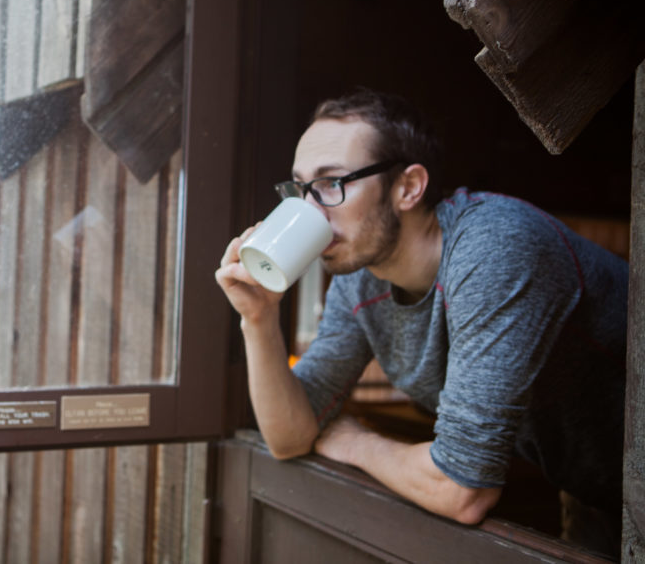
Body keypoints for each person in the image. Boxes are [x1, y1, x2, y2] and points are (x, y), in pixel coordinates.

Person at [215, 89, 627, 554]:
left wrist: (354, 442)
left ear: (408, 187)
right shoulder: (359, 281)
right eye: (300, 188)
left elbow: (461, 490)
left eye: (332, 183)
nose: (310, 208)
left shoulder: (493, 248)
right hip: (593, 490)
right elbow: (290, 435)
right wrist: (258, 319)